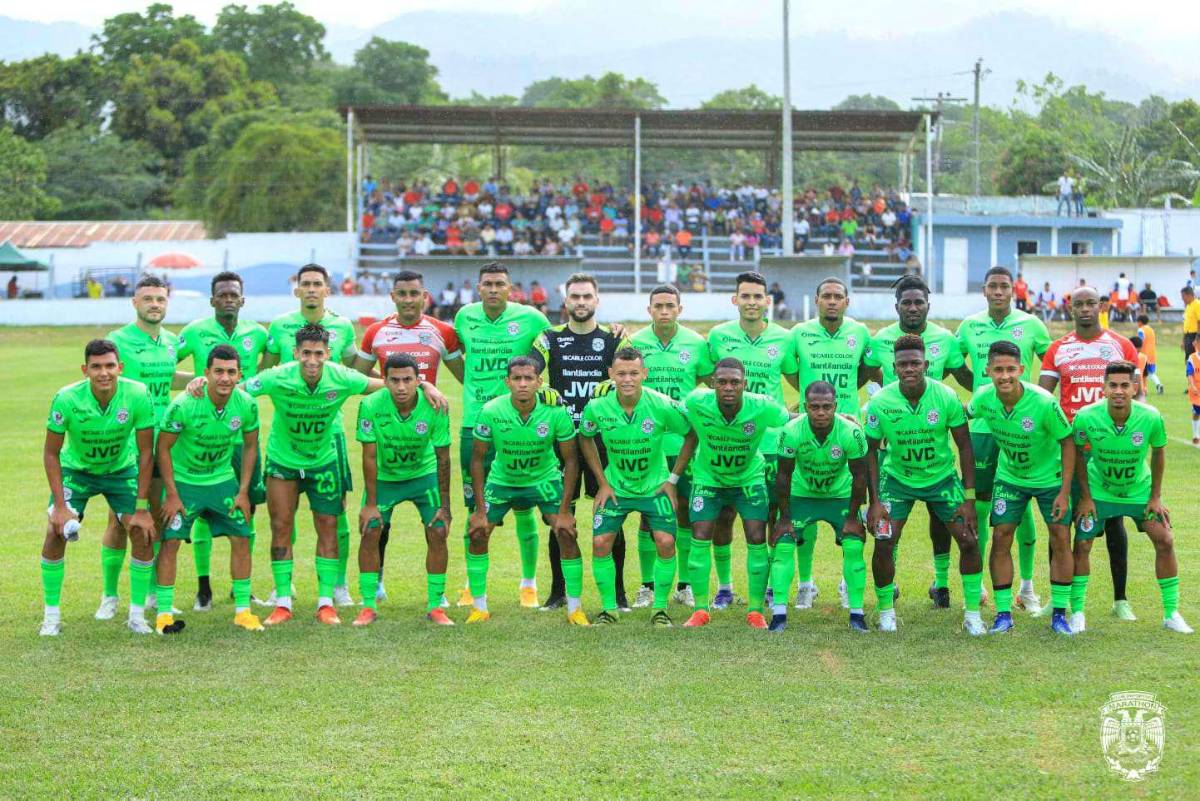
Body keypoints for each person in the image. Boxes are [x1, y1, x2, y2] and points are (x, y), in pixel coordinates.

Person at [241, 324, 386, 626]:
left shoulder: (342, 376)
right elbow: (237, 389)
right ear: (295, 353)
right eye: (306, 353)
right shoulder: (277, 376)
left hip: (323, 461)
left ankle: (325, 603)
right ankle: (283, 603)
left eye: (318, 353)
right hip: (283, 461)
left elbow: (385, 385)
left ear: (328, 354)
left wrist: (426, 386)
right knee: (281, 526)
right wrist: (201, 384)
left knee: (328, 527)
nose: (312, 360)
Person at [864, 334, 983, 635]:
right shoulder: (880, 402)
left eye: (915, 363)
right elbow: (870, 452)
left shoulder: (945, 396)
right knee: (884, 540)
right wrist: (875, 501)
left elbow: (965, 446)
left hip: (941, 479)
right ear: (894, 367)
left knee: (969, 539)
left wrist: (969, 498)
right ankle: (886, 612)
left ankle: (972, 615)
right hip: (897, 480)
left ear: (926, 365)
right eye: (903, 364)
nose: (909, 369)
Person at [866, 275, 973, 607]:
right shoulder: (880, 340)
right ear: (896, 306)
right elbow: (862, 375)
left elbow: (965, 377)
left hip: (934, 436)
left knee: (941, 520)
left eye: (919, 302)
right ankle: (890, 588)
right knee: (889, 525)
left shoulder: (946, 339)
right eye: (907, 302)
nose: (913, 308)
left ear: (928, 305)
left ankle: (941, 583)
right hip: (895, 442)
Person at [451, 263, 553, 609]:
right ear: (478, 288)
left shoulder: (532, 318)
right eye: (488, 284)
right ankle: (471, 584)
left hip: (518, 423)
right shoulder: (465, 317)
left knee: (523, 505)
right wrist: (470, 382)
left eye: (499, 284)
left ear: (511, 289)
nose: (493, 289)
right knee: (474, 507)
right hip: (474, 423)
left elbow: (558, 343)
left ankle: (529, 584)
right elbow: (453, 353)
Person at [39, 340, 157, 636]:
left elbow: (146, 453)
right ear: (85, 370)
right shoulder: (66, 398)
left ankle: (137, 616)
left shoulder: (138, 394)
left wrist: (142, 508)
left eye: (109, 366)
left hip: (120, 471)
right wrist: (60, 507)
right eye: (96, 367)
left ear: (120, 367)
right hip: (77, 472)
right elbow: (51, 453)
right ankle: (51, 617)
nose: (104, 373)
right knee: (55, 531)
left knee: (141, 531)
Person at [260, 264, 360, 607]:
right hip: (289, 430)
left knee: (335, 513)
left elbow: (354, 369)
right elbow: (267, 370)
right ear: (297, 290)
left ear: (327, 290)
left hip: (331, 433)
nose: (312, 289)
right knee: (283, 515)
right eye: (307, 284)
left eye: (318, 284)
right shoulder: (280, 325)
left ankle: (338, 585)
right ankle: (283, 586)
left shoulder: (343, 326)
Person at [955, 266, 1051, 614]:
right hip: (984, 428)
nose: (998, 292)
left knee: (1021, 504)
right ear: (984, 290)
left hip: (1022, 429)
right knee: (981, 506)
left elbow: (1051, 365)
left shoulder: (1032, 324)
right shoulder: (969, 325)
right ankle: (980, 582)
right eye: (992, 286)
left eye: (1004, 287)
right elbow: (955, 364)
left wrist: (1036, 402)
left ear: (1014, 290)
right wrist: (980, 392)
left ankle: (1027, 587)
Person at [1040, 286, 1140, 621]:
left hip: (1108, 448)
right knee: (1060, 522)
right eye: (1079, 304)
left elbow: (1136, 398)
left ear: (1101, 306)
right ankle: (1057, 599)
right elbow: (1043, 398)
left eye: (1090, 303)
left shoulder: (1121, 346)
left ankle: (1120, 600)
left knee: (1113, 521)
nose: (1085, 309)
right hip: (1070, 449)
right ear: (1071, 308)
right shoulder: (1058, 349)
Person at [1070, 362, 1192, 634]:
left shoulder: (1150, 417)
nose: (1119, 391)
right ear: (1103, 388)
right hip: (1100, 491)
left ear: (1135, 388)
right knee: (1083, 543)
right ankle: (1077, 612)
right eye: (1113, 385)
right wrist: (1086, 498)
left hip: (1139, 491)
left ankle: (1171, 613)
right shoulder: (1086, 417)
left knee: (1165, 539)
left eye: (1125, 385)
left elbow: (1159, 453)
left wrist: (1155, 497)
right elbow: (1077, 453)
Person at [531, 273, 628, 610]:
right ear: (566, 301)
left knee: (611, 517)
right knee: (560, 518)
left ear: (597, 300)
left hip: (603, 442)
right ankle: (558, 593)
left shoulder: (614, 338)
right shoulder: (549, 338)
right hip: (563, 442)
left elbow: (631, 370)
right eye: (575, 296)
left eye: (587, 296)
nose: (581, 302)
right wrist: (540, 383)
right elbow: (531, 367)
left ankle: (618, 594)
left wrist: (614, 382)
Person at [175, 271, 269, 611]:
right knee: (202, 511)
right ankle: (204, 588)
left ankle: (240, 587)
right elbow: (163, 368)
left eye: (234, 294)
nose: (228, 299)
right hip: (204, 435)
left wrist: (251, 386)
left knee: (246, 509)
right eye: (222, 294)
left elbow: (270, 366)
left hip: (241, 434)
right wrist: (194, 381)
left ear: (242, 300)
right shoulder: (194, 331)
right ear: (212, 300)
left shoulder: (258, 333)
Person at [674, 358, 792, 628]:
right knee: (700, 534)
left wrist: (838, 418)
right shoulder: (696, 401)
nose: (729, 387)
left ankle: (755, 611)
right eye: (722, 382)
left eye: (735, 382)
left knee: (756, 537)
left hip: (748, 479)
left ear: (744, 384)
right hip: (709, 479)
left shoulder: (762, 406)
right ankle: (700, 610)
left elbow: (791, 418)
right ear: (712, 383)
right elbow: (669, 409)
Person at [967, 342, 1075, 636]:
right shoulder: (984, 398)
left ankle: (1060, 615)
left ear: (1022, 370)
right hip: (1010, 477)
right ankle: (1003, 614)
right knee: (1001, 536)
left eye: (1011, 369)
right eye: (998, 370)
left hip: (1049, 479)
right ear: (988, 371)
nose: (1005, 376)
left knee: (1060, 537)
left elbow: (1067, 441)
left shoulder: (1043, 402)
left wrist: (1065, 491)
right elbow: (961, 414)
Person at [466, 357, 583, 624]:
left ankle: (575, 609)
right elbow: (477, 459)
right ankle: (479, 608)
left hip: (543, 480)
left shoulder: (555, 412)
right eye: (516, 378)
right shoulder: (491, 411)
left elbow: (571, 460)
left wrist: (565, 511)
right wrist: (480, 510)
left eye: (528, 378)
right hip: (503, 481)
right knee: (477, 532)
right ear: (507, 382)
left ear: (539, 382)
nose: (522, 384)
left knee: (566, 533)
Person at [706, 272, 799, 609]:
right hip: (729, 441)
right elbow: (707, 378)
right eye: (745, 296)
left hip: (771, 442)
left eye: (757, 296)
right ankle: (725, 588)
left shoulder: (783, 338)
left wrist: (797, 410)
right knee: (725, 515)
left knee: (772, 514)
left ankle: (771, 586)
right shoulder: (718, 336)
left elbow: (797, 379)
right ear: (735, 300)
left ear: (767, 301)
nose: (751, 302)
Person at [579, 348, 692, 626]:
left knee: (666, 542)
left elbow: (691, 434)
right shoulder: (597, 407)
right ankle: (609, 610)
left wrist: (672, 480)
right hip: (616, 488)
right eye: (621, 373)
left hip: (655, 487)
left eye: (633, 373)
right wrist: (602, 482)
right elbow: (585, 437)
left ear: (644, 374)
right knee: (600, 543)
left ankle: (660, 609)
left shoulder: (662, 405)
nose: (627, 379)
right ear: (611, 375)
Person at [155, 345, 262, 635]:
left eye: (231, 372)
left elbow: (250, 446)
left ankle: (243, 611)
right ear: (207, 373)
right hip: (185, 483)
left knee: (242, 536)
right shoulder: (184, 404)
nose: (225, 378)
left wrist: (243, 491)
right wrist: (172, 494)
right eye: (218, 371)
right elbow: (162, 448)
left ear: (239, 374)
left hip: (222, 481)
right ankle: (164, 615)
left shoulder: (247, 404)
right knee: (171, 542)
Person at [100, 275, 188, 621]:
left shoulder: (172, 342)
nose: (155, 304)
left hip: (163, 440)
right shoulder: (118, 340)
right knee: (120, 520)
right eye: (148, 299)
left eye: (160, 299)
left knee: (157, 514)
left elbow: (167, 378)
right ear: (134, 302)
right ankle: (109, 596)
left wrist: (197, 380)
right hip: (129, 441)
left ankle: (152, 593)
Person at [628, 285, 715, 607]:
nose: (664, 311)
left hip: (685, 443)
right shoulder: (635, 343)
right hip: (646, 443)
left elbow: (711, 384)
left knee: (686, 514)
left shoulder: (696, 343)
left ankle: (685, 585)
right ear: (649, 309)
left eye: (670, 305)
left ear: (680, 308)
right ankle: (648, 586)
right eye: (658, 306)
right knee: (648, 515)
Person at [788, 277, 870, 609]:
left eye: (838, 296)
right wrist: (809, 400)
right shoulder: (799, 333)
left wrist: (844, 403)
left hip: (849, 429)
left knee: (852, 503)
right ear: (817, 300)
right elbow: (792, 373)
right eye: (826, 296)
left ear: (847, 302)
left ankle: (847, 582)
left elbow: (866, 370)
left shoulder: (860, 332)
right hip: (810, 426)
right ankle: (806, 583)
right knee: (805, 501)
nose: (832, 301)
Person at [355, 353, 453, 626]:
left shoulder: (436, 406)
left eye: (407, 380)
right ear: (384, 381)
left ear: (418, 381)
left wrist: (445, 507)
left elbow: (443, 457)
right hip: (385, 478)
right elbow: (369, 456)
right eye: (394, 380)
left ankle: (436, 606)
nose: (401, 387)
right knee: (370, 529)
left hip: (423, 475)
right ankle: (368, 605)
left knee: (438, 530)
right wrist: (370, 504)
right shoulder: (370, 405)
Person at [772, 382, 870, 632]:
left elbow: (861, 476)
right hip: (802, 494)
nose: (821, 412)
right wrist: (784, 518)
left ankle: (857, 614)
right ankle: (779, 615)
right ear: (805, 407)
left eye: (827, 407)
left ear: (835, 406)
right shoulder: (791, 431)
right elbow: (783, 476)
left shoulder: (851, 432)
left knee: (853, 544)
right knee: (784, 544)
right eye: (814, 407)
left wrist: (853, 517)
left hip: (839, 495)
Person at [1136, 314, 1165, 395]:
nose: (1137, 324)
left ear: (1140, 322)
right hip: (1152, 355)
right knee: (1150, 373)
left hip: (1144, 355)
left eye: (1137, 322)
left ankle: (1143, 389)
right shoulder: (1151, 329)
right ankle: (1158, 385)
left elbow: (1140, 341)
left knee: (1143, 373)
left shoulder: (1141, 330)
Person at [1182, 286, 1200, 367]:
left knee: (1195, 361)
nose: (1182, 299)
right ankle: (1189, 375)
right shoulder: (1188, 306)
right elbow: (1186, 324)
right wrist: (1183, 340)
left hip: (1195, 335)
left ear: (1189, 295)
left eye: (1183, 296)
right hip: (1188, 336)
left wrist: (1197, 338)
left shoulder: (1197, 304)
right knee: (1188, 360)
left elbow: (1199, 322)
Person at [1187, 340, 1200, 445]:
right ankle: (1195, 435)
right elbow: (1190, 373)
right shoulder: (1192, 358)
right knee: (1196, 413)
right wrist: (1192, 385)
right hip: (1196, 391)